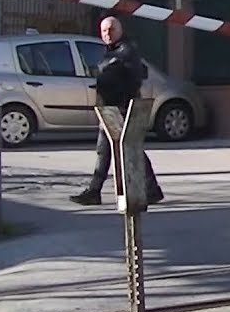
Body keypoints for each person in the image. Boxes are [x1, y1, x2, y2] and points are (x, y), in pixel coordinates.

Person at [70, 16, 165, 206]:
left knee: (130, 148)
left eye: (111, 29)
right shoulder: (111, 52)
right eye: (104, 30)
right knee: (105, 150)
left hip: (121, 108)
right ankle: (95, 191)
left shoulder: (127, 51)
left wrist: (122, 101)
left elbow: (134, 77)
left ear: (120, 30)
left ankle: (151, 189)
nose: (107, 34)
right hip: (108, 109)